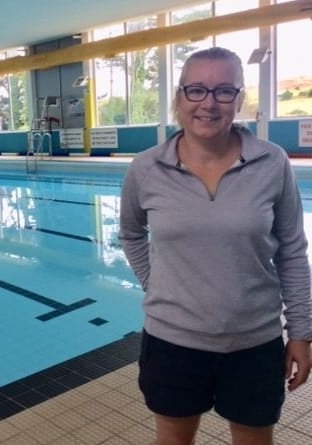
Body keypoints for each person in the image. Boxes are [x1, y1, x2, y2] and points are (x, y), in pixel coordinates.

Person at [118, 46, 312, 445]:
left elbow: (292, 251)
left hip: (254, 342)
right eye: (197, 90)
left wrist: (301, 332)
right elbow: (131, 233)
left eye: (224, 91)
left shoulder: (272, 163)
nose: (209, 103)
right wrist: (155, 283)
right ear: (179, 97)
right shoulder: (146, 168)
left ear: (239, 99)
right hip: (172, 342)